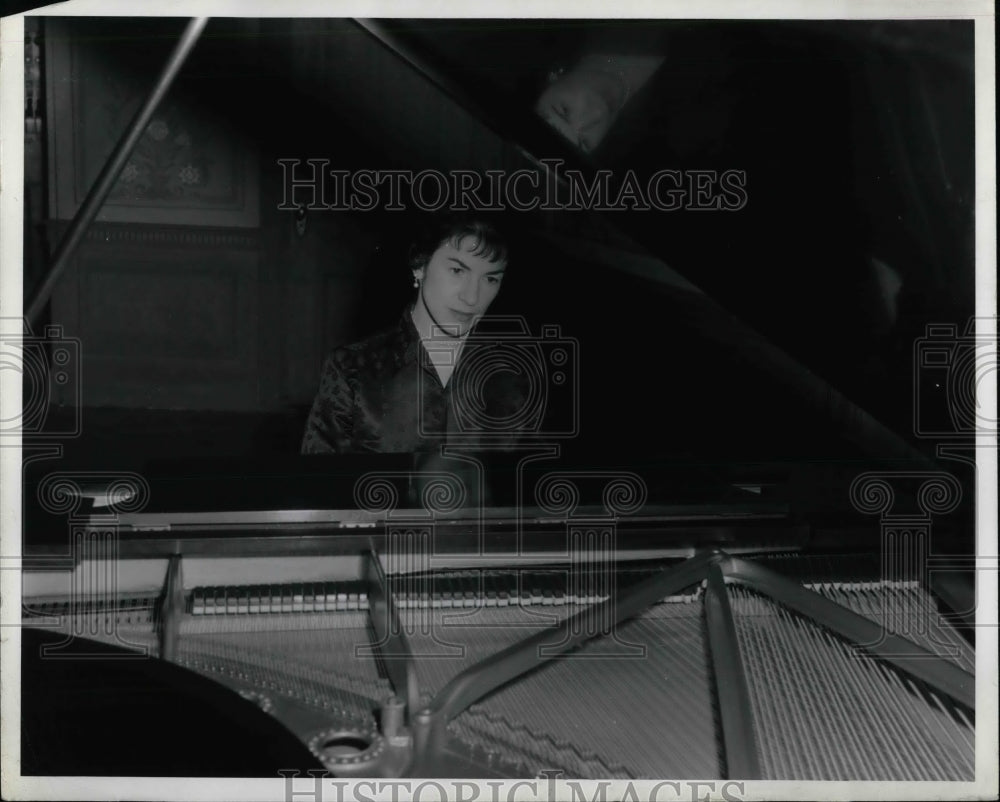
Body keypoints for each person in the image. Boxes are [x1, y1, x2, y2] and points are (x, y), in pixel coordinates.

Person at [301, 214, 529, 455]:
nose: (472, 297)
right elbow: (318, 483)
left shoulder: (513, 374)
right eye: (457, 271)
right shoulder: (350, 368)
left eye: (491, 278)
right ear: (420, 266)